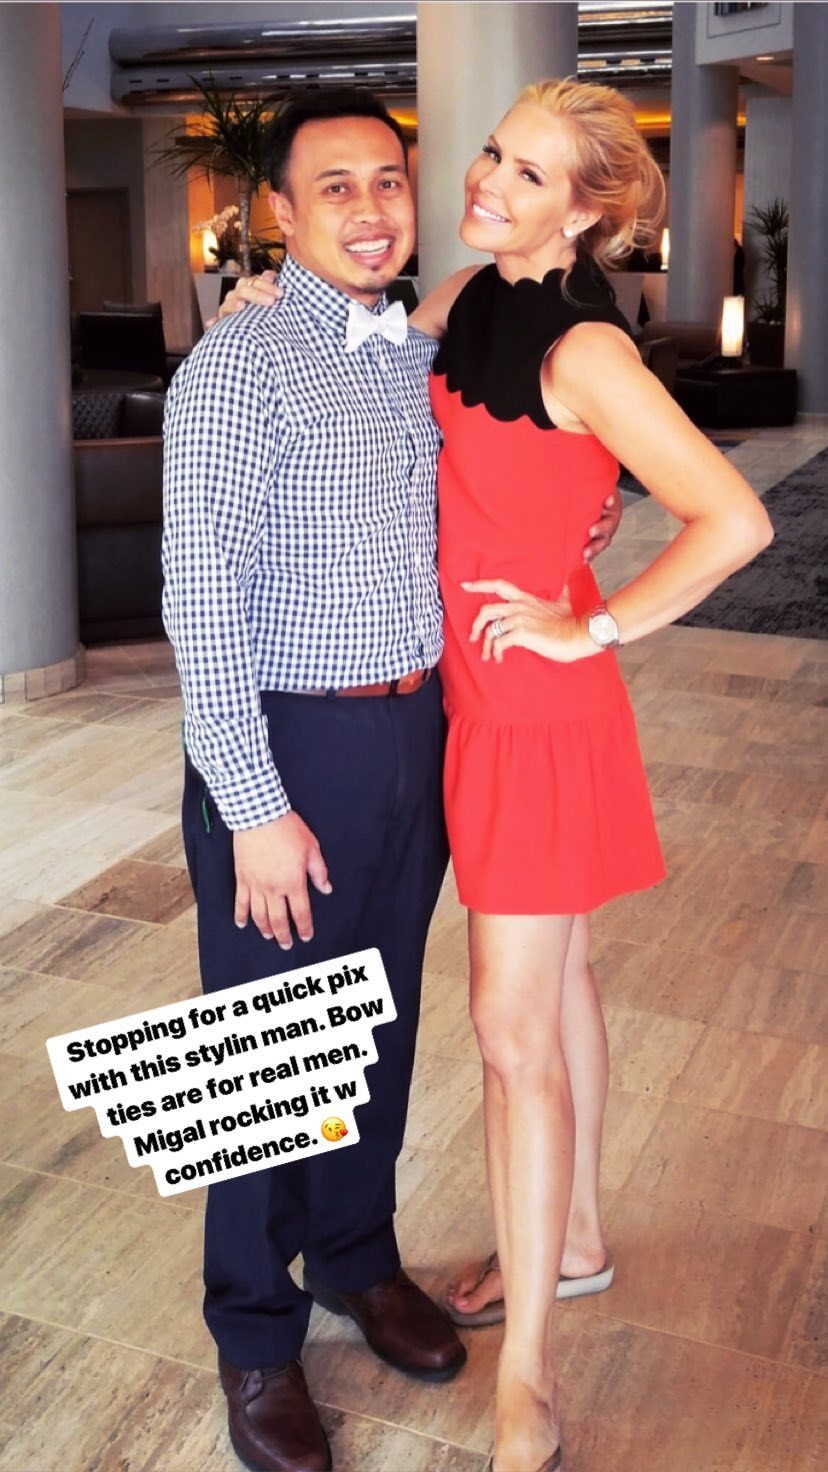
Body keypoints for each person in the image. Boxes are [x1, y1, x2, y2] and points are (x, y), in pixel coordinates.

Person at [229, 78, 772, 1472]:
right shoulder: (467, 293)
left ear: (585, 210)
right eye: (491, 155)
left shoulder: (587, 349)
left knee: (510, 1035)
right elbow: (374, 363)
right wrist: (257, 311)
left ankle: (527, 1371)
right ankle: (571, 1240)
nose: (486, 183)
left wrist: (594, 622)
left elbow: (734, 519)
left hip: (531, 710)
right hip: (449, 702)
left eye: (531, 175)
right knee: (553, 984)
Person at [163, 87, 621, 1472]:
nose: (369, 211)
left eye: (387, 182)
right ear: (280, 213)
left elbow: (505, 467)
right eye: (335, 188)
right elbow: (201, 601)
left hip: (422, 729)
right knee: (264, 1049)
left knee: (373, 1021)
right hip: (290, 744)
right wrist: (253, 806)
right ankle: (254, 1334)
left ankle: (355, 1259)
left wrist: (587, 505)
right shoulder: (239, 368)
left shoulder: (414, 342)